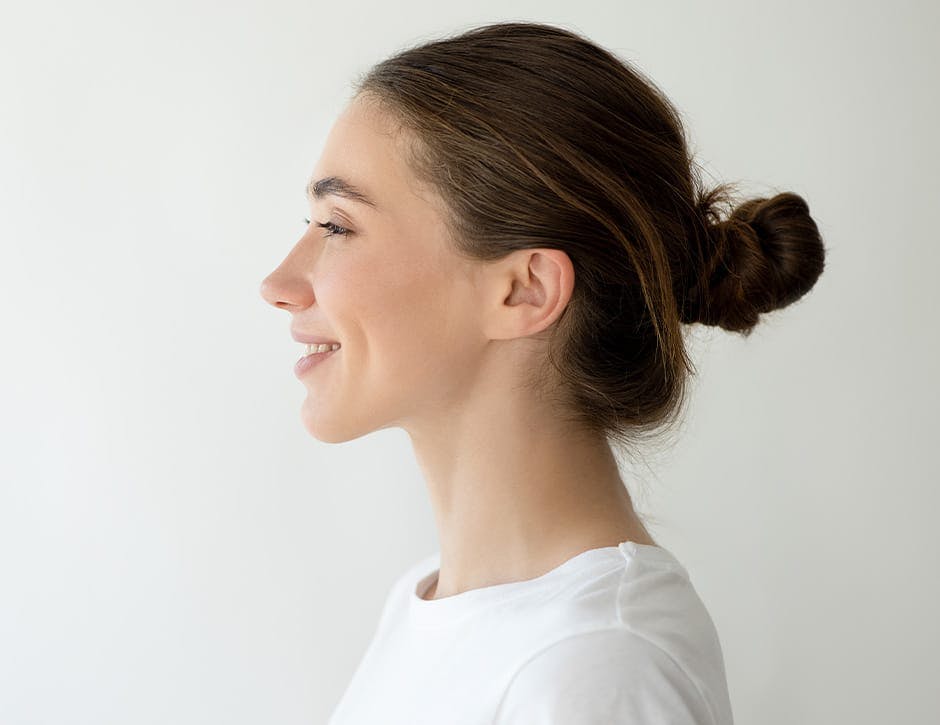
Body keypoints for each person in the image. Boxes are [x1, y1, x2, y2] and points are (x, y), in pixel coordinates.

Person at [259, 20, 825, 725]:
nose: (278, 282)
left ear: (525, 289)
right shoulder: (435, 604)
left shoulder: (596, 669)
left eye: (336, 226)